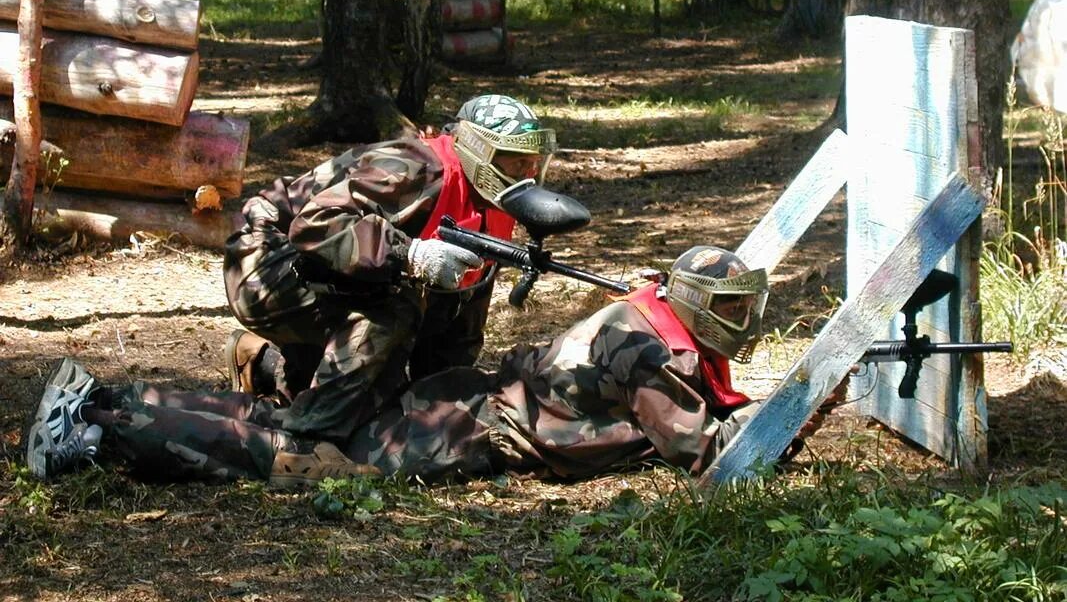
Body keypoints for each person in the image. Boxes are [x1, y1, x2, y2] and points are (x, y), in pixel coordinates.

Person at [24, 245, 846, 486]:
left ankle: (114, 396)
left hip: (465, 401)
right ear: (694, 301)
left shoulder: (641, 316)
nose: (741, 324)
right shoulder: (649, 354)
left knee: (286, 425)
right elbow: (713, 459)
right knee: (295, 457)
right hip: (460, 430)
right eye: (732, 308)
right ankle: (97, 431)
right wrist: (813, 403)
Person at [220, 94, 557, 442]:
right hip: (266, 263)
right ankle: (308, 442)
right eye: (517, 164)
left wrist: (437, 402)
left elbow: (463, 311)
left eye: (533, 164)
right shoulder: (413, 167)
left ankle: (262, 364)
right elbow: (314, 226)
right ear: (479, 151)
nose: (527, 176)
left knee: (386, 398)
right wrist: (409, 254)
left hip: (331, 271)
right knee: (396, 307)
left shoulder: (494, 203)